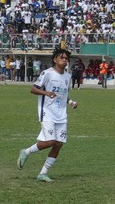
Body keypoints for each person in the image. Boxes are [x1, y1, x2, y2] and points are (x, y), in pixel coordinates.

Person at [18, 49, 77, 182]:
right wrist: (46, 93)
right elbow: (33, 89)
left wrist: (71, 102)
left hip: (61, 115)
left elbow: (64, 95)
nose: (64, 60)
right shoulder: (47, 73)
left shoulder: (68, 77)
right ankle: (26, 152)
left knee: (58, 144)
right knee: (50, 141)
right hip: (47, 113)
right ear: (54, 59)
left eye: (66, 58)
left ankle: (42, 173)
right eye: (61, 57)